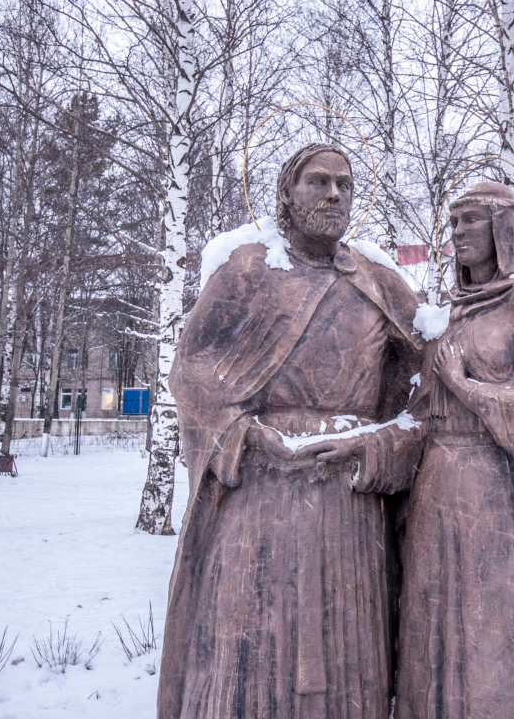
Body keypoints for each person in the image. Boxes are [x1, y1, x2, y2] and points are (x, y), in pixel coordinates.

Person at [157, 143, 421, 719]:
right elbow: (191, 373)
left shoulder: (381, 285)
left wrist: (372, 445)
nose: (333, 194)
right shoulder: (247, 269)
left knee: (347, 655)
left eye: (344, 184)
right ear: (286, 192)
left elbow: (425, 401)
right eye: (318, 181)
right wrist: (248, 436)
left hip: (349, 504)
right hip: (259, 495)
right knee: (248, 644)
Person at [350, 182, 514, 718]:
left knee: (497, 621)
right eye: (453, 223)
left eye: (470, 220)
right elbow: (418, 401)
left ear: (503, 230)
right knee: (433, 618)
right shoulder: (453, 316)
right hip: (436, 492)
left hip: (499, 498)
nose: (457, 233)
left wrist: (470, 391)